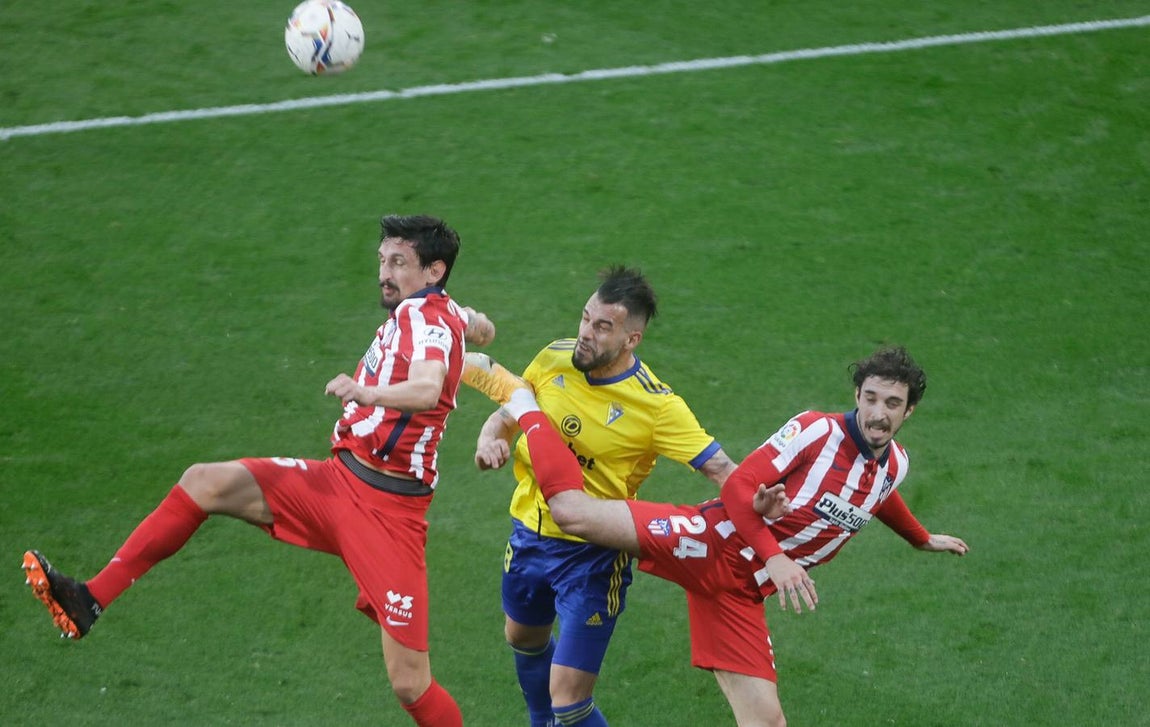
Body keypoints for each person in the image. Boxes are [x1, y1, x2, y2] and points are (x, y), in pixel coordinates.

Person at [22, 214, 496, 727]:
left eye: (398, 263)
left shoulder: (424, 319)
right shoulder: (432, 308)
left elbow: (427, 388)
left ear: (433, 270)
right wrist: (473, 322)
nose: (383, 272)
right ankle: (89, 599)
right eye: (382, 260)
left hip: (388, 514)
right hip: (336, 484)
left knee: (409, 683)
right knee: (205, 482)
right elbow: (468, 326)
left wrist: (370, 392)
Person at [463, 345, 969, 727]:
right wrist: (774, 556)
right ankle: (523, 401)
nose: (879, 413)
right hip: (707, 540)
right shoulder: (817, 430)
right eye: (872, 398)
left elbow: (878, 494)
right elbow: (741, 485)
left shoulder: (894, 466)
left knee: (767, 722)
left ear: (909, 412)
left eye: (893, 403)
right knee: (572, 512)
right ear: (857, 396)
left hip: (741, 593)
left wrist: (920, 538)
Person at [467, 266, 738, 727]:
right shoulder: (555, 357)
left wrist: (763, 512)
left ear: (631, 339)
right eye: (585, 318)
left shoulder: (656, 405)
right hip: (529, 534)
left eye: (601, 327)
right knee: (524, 639)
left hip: (592, 556)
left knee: (570, 702)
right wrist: (489, 437)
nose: (584, 335)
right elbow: (513, 407)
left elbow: (722, 469)